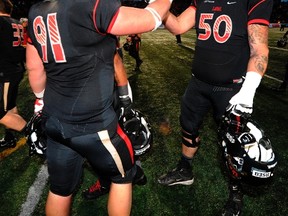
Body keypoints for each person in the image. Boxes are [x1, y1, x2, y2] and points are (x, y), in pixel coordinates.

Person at [26, 0, 171, 215]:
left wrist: (40, 100)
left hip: (54, 121)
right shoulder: (90, 4)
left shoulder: (37, 10)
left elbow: (34, 68)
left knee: (60, 190)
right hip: (93, 124)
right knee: (123, 177)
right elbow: (151, 18)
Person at [157, 0, 273, 215]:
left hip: (232, 88)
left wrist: (248, 91)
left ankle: (235, 192)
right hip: (198, 83)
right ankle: (185, 169)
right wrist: (157, 5)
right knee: (188, 127)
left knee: (234, 143)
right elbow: (178, 26)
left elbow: (259, 49)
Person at [82, 52, 147, 200]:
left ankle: (126, 174)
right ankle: (131, 173)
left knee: (113, 138)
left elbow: (115, 59)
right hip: (89, 90)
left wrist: (125, 100)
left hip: (102, 90)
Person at [0, 0, 27, 148]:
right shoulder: (15, 22)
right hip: (14, 69)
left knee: (1, 113)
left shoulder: (2, 22)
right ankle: (10, 137)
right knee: (10, 107)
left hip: (5, 72)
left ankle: (34, 133)